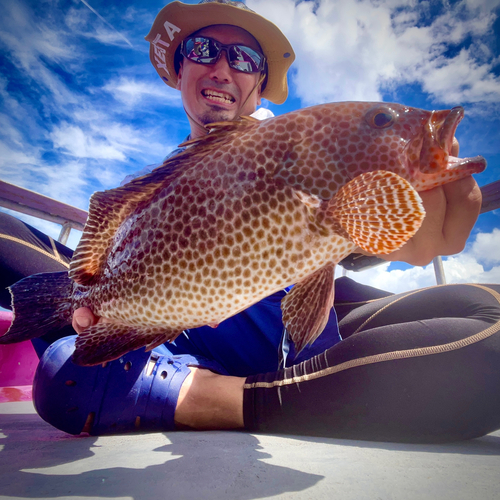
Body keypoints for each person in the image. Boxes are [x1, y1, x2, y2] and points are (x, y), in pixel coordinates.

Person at [2, 0, 499, 442]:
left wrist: (404, 236)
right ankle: (225, 382)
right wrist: (103, 301)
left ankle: (199, 393)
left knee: (490, 320)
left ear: (260, 84)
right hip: (177, 323)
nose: (222, 68)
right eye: (203, 50)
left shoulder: (294, 149)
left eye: (243, 60)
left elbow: (347, 234)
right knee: (60, 337)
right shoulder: (165, 188)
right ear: (179, 71)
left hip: (299, 327)